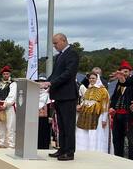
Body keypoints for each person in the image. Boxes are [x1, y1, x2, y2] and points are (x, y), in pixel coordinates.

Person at [39, 33, 80, 161]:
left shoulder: (72, 54)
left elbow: (68, 73)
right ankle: (62, 148)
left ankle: (69, 151)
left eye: (56, 43)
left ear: (63, 40)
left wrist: (51, 83)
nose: (54, 46)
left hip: (68, 95)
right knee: (61, 125)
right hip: (59, 95)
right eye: (53, 43)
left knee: (68, 125)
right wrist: (45, 82)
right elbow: (55, 74)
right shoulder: (59, 56)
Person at [110, 60, 133, 161]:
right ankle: (118, 160)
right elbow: (115, 97)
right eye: (122, 71)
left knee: (132, 141)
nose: (123, 73)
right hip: (118, 115)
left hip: (129, 115)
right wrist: (112, 106)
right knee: (117, 139)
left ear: (130, 72)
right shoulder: (118, 84)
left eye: (125, 72)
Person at [76, 73, 111, 152]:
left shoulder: (103, 90)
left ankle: (95, 150)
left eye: (93, 78)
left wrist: (104, 119)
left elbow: (105, 104)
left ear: (97, 79)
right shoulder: (89, 89)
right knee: (84, 132)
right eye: (90, 78)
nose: (91, 80)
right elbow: (85, 100)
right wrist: (81, 105)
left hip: (97, 115)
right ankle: (84, 149)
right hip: (86, 114)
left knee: (95, 134)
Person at [0, 66, 17, 148]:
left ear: (10, 74)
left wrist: (5, 105)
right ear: (2, 75)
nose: (6, 75)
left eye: (7, 74)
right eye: (4, 74)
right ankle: (1, 142)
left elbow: (12, 96)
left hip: (9, 108)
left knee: (10, 126)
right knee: (0, 125)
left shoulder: (13, 84)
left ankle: (11, 144)